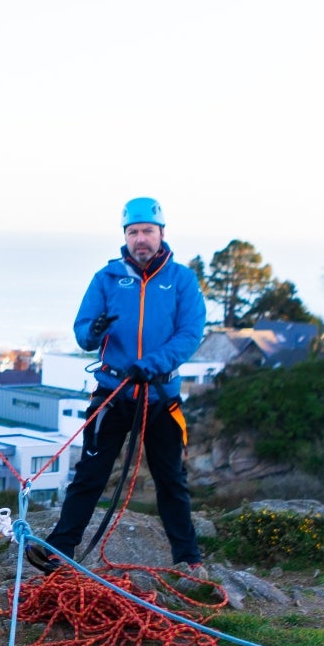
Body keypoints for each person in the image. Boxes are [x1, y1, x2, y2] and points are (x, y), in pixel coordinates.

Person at [28, 197, 207, 578]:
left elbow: (191, 334)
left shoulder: (182, 280)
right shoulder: (106, 278)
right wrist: (92, 331)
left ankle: (188, 558)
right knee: (89, 475)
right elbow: (82, 332)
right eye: (133, 232)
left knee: (171, 479)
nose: (140, 239)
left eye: (147, 231)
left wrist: (152, 365)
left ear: (161, 233)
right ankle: (60, 551)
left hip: (160, 395)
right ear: (124, 235)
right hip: (112, 393)